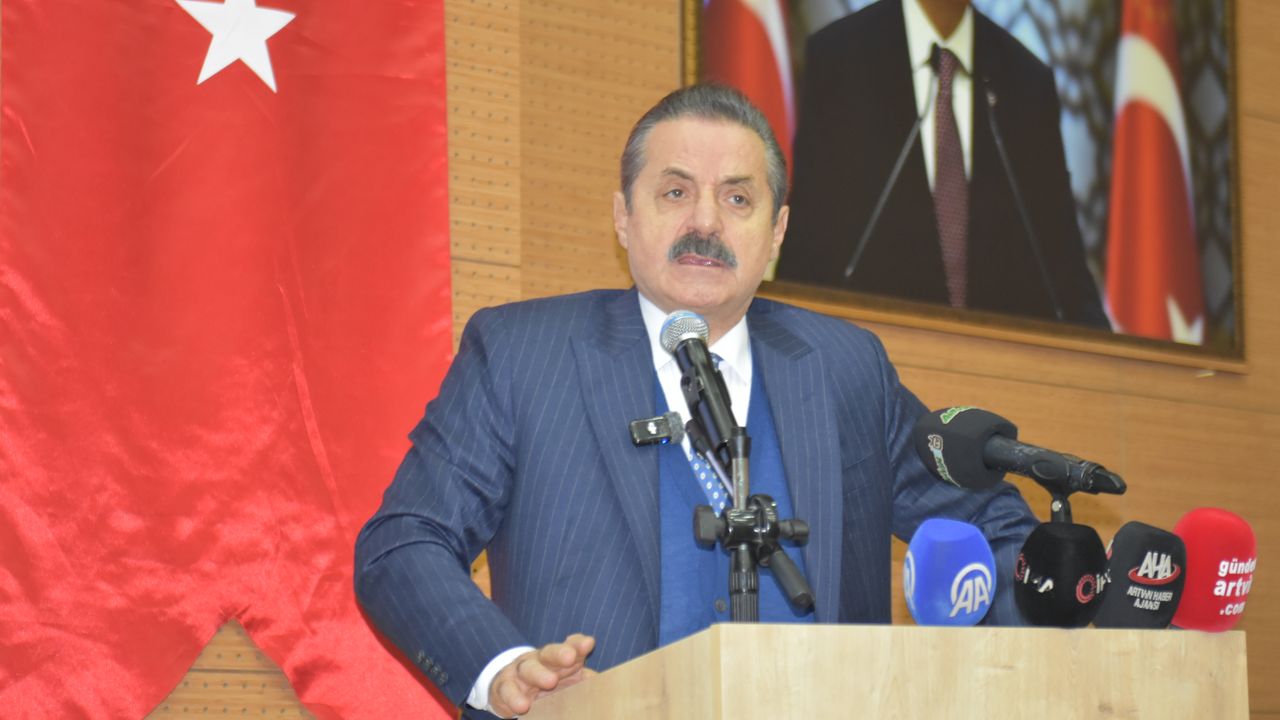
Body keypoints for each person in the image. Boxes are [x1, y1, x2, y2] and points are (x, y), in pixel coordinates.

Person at [354, 84, 1038, 719]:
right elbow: (404, 542)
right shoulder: (521, 355)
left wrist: (990, 669)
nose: (706, 221)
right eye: (675, 192)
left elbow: (997, 532)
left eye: (738, 199)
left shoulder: (845, 368)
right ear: (624, 217)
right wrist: (505, 668)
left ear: (777, 232)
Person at [777, 0, 1111, 330]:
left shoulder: (1028, 82)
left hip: (994, 356)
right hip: (869, 348)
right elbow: (808, 257)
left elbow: (1066, 280)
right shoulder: (841, 58)